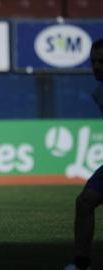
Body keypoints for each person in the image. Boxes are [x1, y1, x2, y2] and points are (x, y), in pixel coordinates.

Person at [64, 38, 103, 270]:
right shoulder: (99, 92)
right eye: (94, 61)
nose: (96, 66)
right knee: (86, 201)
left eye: (102, 62)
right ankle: (81, 263)